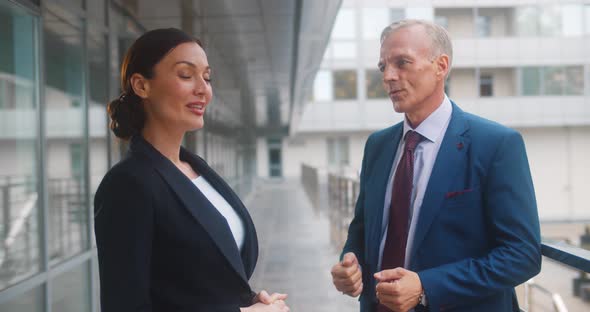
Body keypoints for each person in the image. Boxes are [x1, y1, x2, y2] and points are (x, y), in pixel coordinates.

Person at [330, 19, 541, 312]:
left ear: (441, 66)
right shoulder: (377, 146)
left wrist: (426, 287)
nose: (389, 76)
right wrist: (350, 263)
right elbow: (362, 230)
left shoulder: (495, 144)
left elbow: (522, 255)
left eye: (402, 63)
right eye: (383, 67)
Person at [94, 28, 290, 312]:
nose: (203, 88)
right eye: (186, 75)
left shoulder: (197, 169)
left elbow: (203, 285)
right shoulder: (127, 185)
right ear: (141, 85)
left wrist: (251, 301)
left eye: (207, 77)